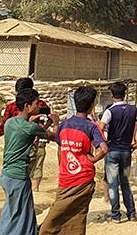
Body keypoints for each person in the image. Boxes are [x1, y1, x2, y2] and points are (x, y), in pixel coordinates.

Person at [39, 87, 108, 234]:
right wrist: (93, 160)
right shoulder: (91, 127)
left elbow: (58, 142)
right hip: (84, 177)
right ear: (92, 106)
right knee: (78, 214)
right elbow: (104, 148)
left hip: (66, 177)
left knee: (57, 213)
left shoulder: (65, 124)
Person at [0, 88, 58, 235]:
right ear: (27, 106)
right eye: (36, 104)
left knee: (20, 211)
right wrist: (55, 122)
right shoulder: (30, 127)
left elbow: (28, 131)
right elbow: (54, 136)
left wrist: (39, 122)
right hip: (18, 176)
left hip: (7, 174)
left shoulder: (10, 122)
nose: (39, 106)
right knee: (16, 215)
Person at [99, 81, 137, 223]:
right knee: (125, 182)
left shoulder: (110, 111)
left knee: (113, 184)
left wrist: (103, 143)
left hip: (113, 151)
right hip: (127, 151)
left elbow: (100, 128)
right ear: (125, 93)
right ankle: (132, 213)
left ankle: (116, 215)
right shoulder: (133, 109)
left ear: (112, 95)